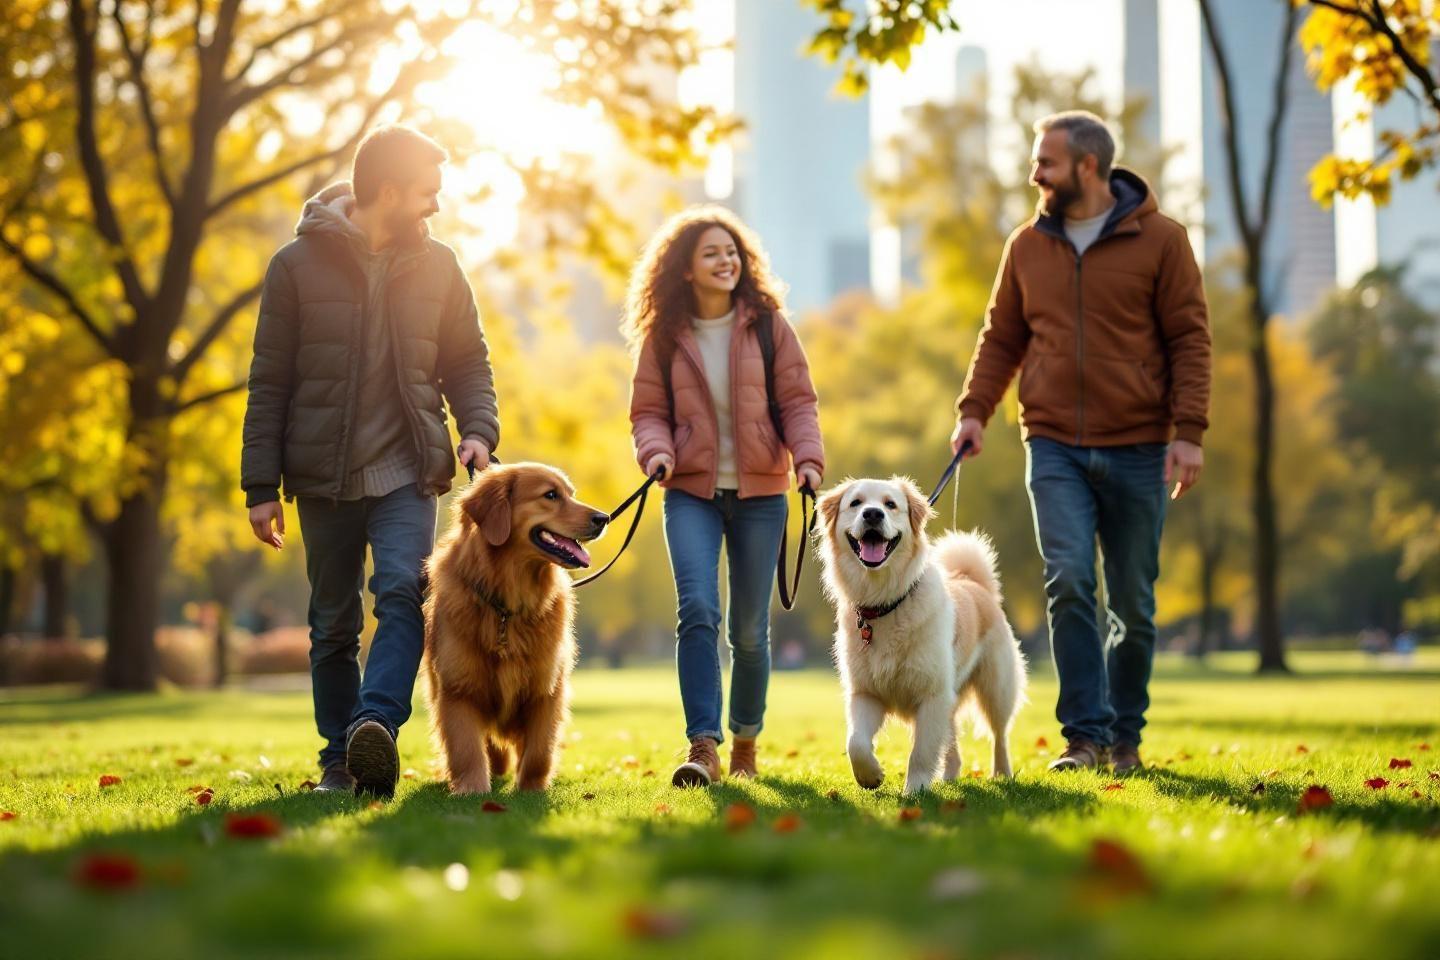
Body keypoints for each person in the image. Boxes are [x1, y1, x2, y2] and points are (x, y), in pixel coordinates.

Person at [241, 125, 500, 797]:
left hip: (408, 470)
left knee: (403, 593)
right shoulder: (294, 268)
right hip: (321, 475)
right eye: (426, 193)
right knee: (332, 621)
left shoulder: (440, 266)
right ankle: (339, 760)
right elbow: (269, 381)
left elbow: (468, 362)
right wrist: (259, 485)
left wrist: (476, 430)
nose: (434, 207)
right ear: (387, 191)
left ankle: (375, 728)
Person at [950, 111, 1211, 775]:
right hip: (1054, 441)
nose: (1035, 173)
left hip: (1141, 443)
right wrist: (975, 410)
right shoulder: (1027, 246)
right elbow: (1001, 336)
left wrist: (1188, 434)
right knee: (1068, 579)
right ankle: (1084, 739)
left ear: (1087, 168)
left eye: (1047, 163)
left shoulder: (1162, 241)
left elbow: (1189, 339)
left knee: (1133, 601)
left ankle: (1126, 737)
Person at [626, 206, 825, 787]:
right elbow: (647, 412)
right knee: (698, 611)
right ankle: (703, 746)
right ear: (685, 269)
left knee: (748, 631)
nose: (726, 261)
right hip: (689, 491)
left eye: (732, 252)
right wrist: (656, 451)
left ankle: (744, 741)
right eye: (711, 253)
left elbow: (798, 401)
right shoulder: (664, 336)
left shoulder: (767, 326)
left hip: (762, 493)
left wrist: (808, 460)